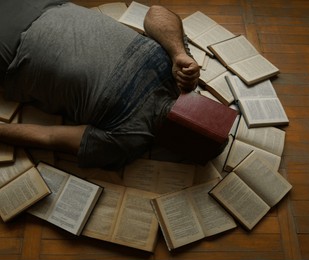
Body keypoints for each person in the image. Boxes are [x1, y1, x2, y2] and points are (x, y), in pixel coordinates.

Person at [0, 1, 200, 169]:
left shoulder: (129, 140)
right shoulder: (183, 76)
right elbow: (156, 12)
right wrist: (178, 52)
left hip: (12, 48)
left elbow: (49, 136)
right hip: (50, 6)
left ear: (177, 144)